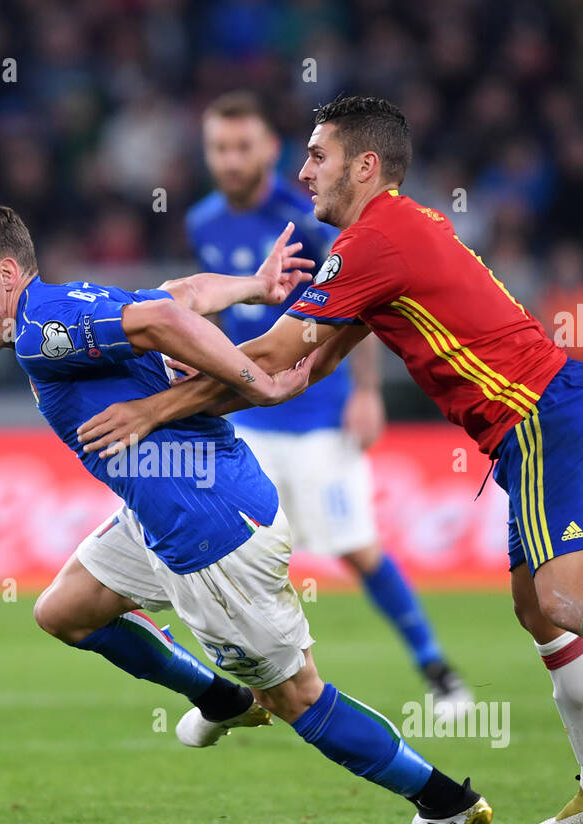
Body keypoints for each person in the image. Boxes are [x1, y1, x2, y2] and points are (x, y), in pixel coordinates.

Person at [78, 96, 583, 824]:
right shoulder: (389, 236)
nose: (303, 169)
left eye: (317, 155)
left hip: (544, 415)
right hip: (535, 425)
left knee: (565, 596)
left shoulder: (373, 239)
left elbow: (277, 352)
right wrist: (232, 378)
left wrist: (157, 409)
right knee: (539, 610)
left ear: (365, 165)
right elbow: (301, 367)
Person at [0, 201, 494, 824]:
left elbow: (165, 317)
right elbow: (177, 296)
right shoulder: (67, 300)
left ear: (4, 275)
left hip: (210, 532)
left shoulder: (40, 330)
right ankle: (220, 698)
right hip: (166, 514)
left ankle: (445, 801)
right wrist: (255, 285)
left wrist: (260, 382)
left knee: (295, 696)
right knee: (65, 611)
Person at [188, 90, 471, 715]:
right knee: (231, 546)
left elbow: (356, 298)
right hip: (248, 410)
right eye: (218, 147)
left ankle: (437, 669)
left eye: (243, 146)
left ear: (268, 148)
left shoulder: (313, 209)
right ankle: (257, 683)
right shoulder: (202, 220)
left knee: (356, 546)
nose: (231, 160)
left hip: (318, 407)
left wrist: (366, 392)